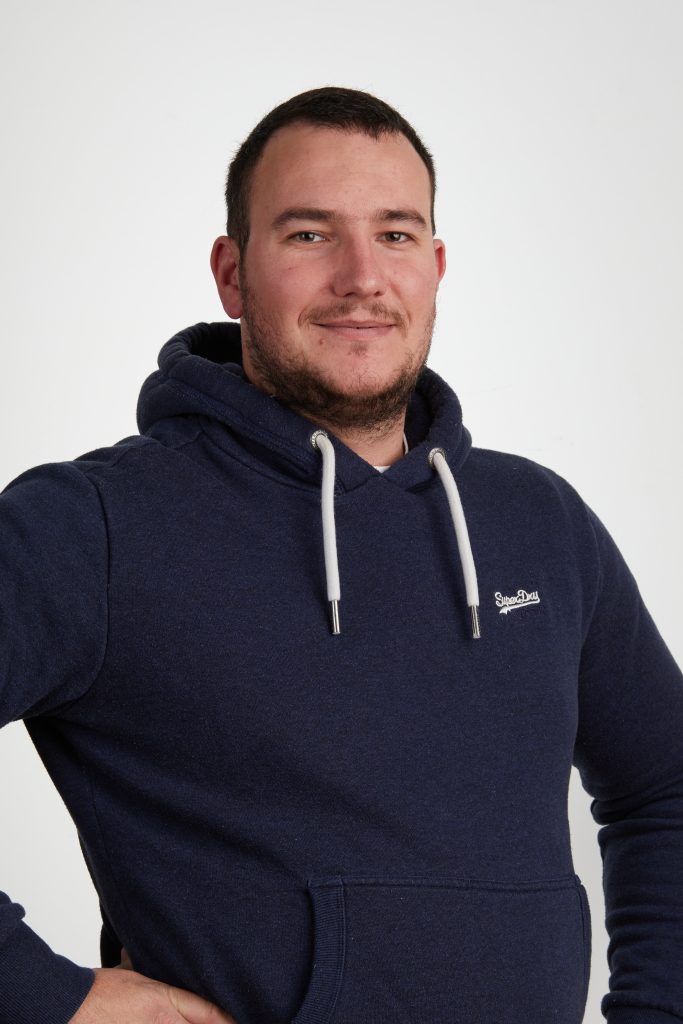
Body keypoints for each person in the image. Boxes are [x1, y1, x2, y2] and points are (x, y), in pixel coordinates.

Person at [0, 86, 681, 1024]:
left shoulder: (539, 522)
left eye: (396, 235)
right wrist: (47, 997)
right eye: (310, 234)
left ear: (435, 266)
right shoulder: (95, 525)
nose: (362, 277)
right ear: (232, 274)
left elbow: (664, 785)